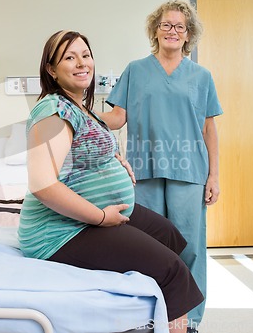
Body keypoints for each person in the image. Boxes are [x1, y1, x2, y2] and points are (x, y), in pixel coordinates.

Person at [18, 29, 204, 333]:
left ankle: (146, 321)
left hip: (88, 214)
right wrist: (101, 217)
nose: (81, 63)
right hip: (59, 230)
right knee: (173, 271)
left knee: (170, 236)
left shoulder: (79, 107)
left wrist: (114, 160)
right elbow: (42, 184)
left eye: (86, 55)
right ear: (52, 70)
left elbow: (86, 148)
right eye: (69, 57)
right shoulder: (54, 110)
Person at [99, 0, 223, 333]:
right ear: (156, 30)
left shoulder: (201, 76)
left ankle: (190, 319)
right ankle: (147, 315)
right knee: (146, 247)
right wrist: (83, 114)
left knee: (189, 247)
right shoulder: (136, 70)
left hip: (189, 170)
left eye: (179, 26)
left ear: (188, 34)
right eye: (166, 25)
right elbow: (118, 117)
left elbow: (209, 129)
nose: (172, 31)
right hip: (144, 169)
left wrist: (214, 175)